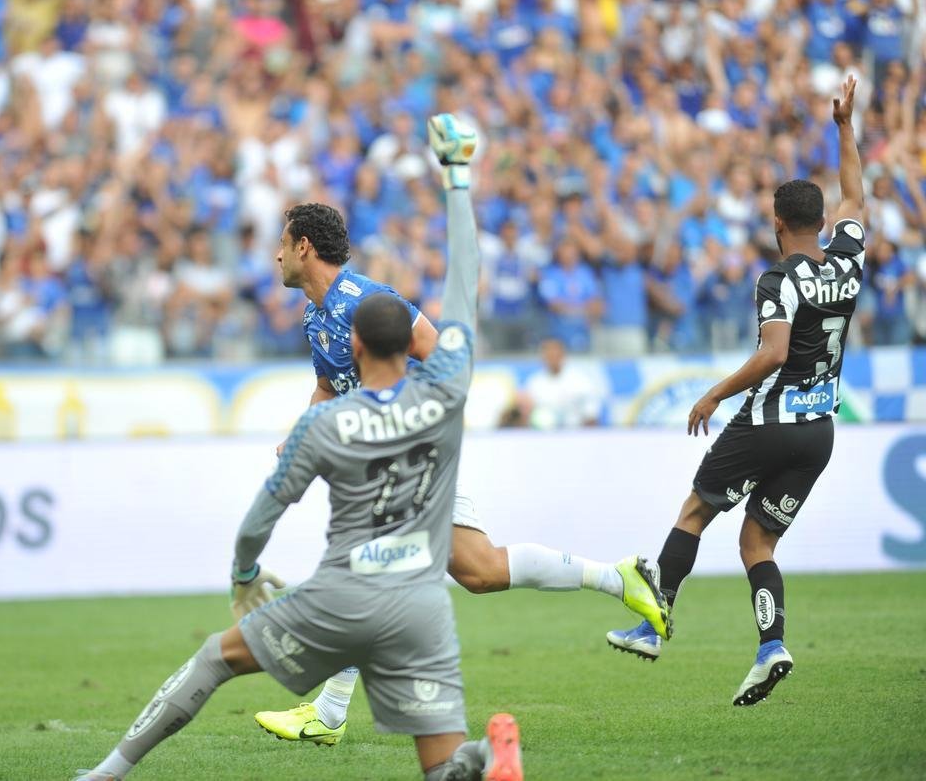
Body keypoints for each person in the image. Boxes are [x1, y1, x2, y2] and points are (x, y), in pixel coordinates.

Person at [73, 114, 522, 781]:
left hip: (344, 596)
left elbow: (263, 515)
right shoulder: (445, 398)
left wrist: (245, 574)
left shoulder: (325, 427)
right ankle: (481, 760)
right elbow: (466, 277)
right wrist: (457, 176)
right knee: (441, 769)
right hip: (423, 607)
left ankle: (101, 776)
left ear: (355, 348)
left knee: (212, 661)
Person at [254, 181, 665, 745]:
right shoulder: (314, 318)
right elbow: (328, 385)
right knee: (480, 571)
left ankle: (327, 714)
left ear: (304, 247)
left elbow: (439, 353)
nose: (274, 255)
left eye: (282, 243)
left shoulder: (368, 301)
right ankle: (618, 577)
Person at [606, 77, 867, 707]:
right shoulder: (849, 257)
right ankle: (770, 645)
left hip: (767, 421)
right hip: (819, 432)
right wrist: (844, 127)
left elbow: (773, 352)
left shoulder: (778, 279)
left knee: (695, 512)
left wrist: (715, 394)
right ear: (823, 220)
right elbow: (857, 194)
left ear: (777, 223)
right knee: (758, 541)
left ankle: (652, 625)